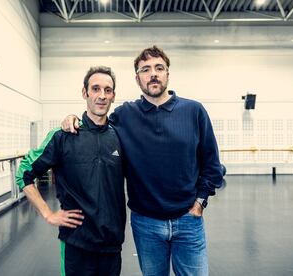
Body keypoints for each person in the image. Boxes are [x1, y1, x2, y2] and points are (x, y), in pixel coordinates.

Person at [62, 46, 223, 276]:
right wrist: (73, 117)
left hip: (188, 221)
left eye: (159, 68)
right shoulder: (125, 115)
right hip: (146, 224)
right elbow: (97, 123)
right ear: (137, 79)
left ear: (168, 73)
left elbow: (212, 164)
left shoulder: (194, 111)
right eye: (145, 70)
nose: (153, 74)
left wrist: (200, 203)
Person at [16, 66, 126, 276]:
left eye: (107, 90)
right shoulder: (62, 136)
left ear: (113, 96)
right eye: (95, 89)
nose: (102, 96)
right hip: (77, 243)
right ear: (85, 93)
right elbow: (24, 173)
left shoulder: (119, 137)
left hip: (112, 244)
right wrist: (48, 214)